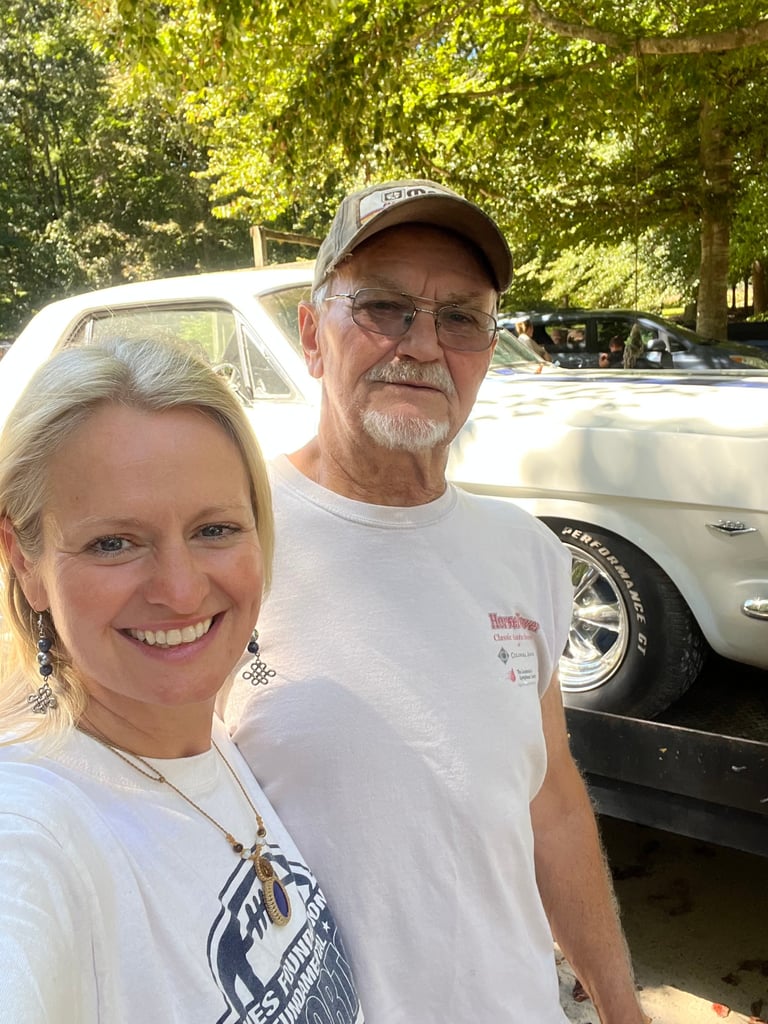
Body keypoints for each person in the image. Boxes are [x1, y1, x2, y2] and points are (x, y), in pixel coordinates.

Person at [225, 179, 649, 1023]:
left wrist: (619, 1003)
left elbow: (553, 802)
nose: (422, 346)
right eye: (384, 309)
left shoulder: (525, 551)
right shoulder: (227, 544)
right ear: (312, 335)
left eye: (460, 318)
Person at [0, 338, 363, 1023]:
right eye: (114, 543)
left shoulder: (206, 741)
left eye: (214, 530)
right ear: (24, 562)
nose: (180, 589)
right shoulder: (31, 835)